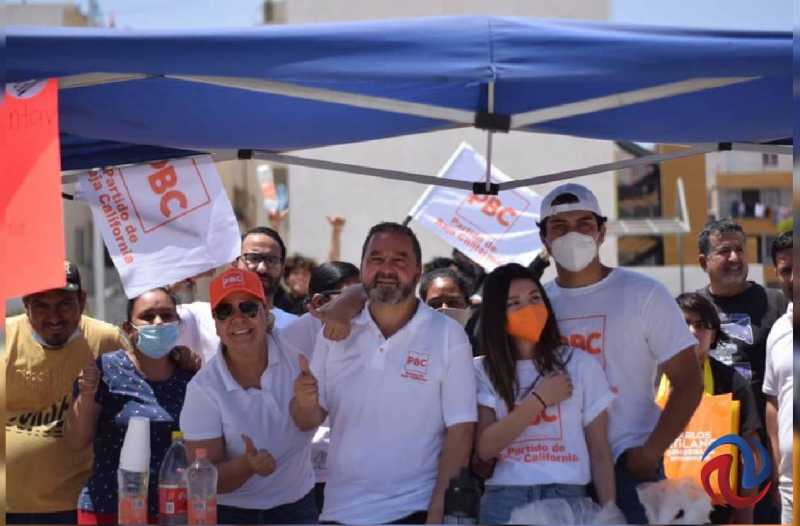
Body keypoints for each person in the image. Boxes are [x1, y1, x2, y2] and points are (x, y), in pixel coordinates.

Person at [291, 222, 477, 524]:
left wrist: (438, 510)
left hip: (414, 510)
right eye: (376, 259)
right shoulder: (334, 331)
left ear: (417, 271)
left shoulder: (448, 335)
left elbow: (461, 431)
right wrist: (303, 401)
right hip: (339, 511)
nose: (387, 268)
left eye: (399, 260)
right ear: (363, 268)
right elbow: (307, 420)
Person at [537, 183, 702, 524]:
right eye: (559, 226)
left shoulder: (644, 294)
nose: (573, 234)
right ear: (544, 238)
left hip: (629, 468)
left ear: (601, 232)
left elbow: (688, 381)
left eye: (584, 223)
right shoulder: (536, 303)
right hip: (556, 473)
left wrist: (650, 453)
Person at [474, 263, 615, 524]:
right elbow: (485, 447)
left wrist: (610, 513)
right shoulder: (482, 370)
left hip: (568, 500)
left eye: (535, 298)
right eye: (514, 303)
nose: (528, 308)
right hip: (505, 501)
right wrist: (539, 400)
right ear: (496, 314)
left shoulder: (580, 364)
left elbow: (600, 452)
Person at [180, 268, 317, 524]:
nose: (238, 319)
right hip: (232, 514)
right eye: (225, 311)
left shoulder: (296, 345)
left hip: (298, 505)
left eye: (248, 308)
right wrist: (247, 466)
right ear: (216, 324)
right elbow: (201, 478)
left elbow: (352, 300)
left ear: (265, 312)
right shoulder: (203, 389)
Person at [4, 262, 130, 525]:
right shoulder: (5, 337)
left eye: (64, 304)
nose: (54, 317)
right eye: (41, 305)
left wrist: (180, 357)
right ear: (26, 304)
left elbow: (146, 373)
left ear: (81, 301)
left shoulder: (106, 340)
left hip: (79, 506)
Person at [63, 288, 194, 524]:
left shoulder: (190, 377)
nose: (158, 323)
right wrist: (86, 393)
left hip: (172, 511)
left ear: (178, 323)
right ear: (128, 328)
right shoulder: (106, 370)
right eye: (147, 316)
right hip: (108, 509)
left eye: (166, 315)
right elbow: (75, 441)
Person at [672, 292, 763, 524]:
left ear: (713, 335)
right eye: (684, 323)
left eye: (701, 325)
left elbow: (751, 454)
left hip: (716, 515)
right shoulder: (648, 381)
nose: (692, 331)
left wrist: (744, 515)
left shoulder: (733, 383)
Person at [695, 220, 788, 419]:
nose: (734, 257)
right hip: (707, 430)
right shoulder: (692, 310)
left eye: (739, 249)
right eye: (724, 251)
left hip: (763, 431)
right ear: (703, 262)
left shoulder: (777, 303)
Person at [176, 227, 298, 363]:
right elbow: (157, 314)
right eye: (253, 258)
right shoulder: (198, 317)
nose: (262, 268)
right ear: (234, 262)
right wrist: (181, 279)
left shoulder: (296, 327)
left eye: (271, 260)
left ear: (282, 267)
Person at [763, 231, 793, 524]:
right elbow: (773, 402)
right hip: (791, 486)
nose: (794, 279)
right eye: (786, 270)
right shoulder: (778, 331)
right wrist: (776, 466)